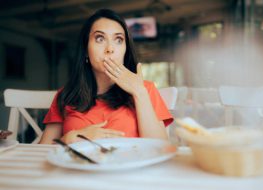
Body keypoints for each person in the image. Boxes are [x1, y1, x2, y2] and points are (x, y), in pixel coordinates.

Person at [39, 9, 173, 144]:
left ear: (125, 50)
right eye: (100, 38)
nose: (110, 48)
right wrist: (69, 139)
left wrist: (139, 92)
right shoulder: (66, 94)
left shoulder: (146, 89)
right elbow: (40, 152)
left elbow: (161, 147)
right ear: (86, 50)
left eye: (119, 40)